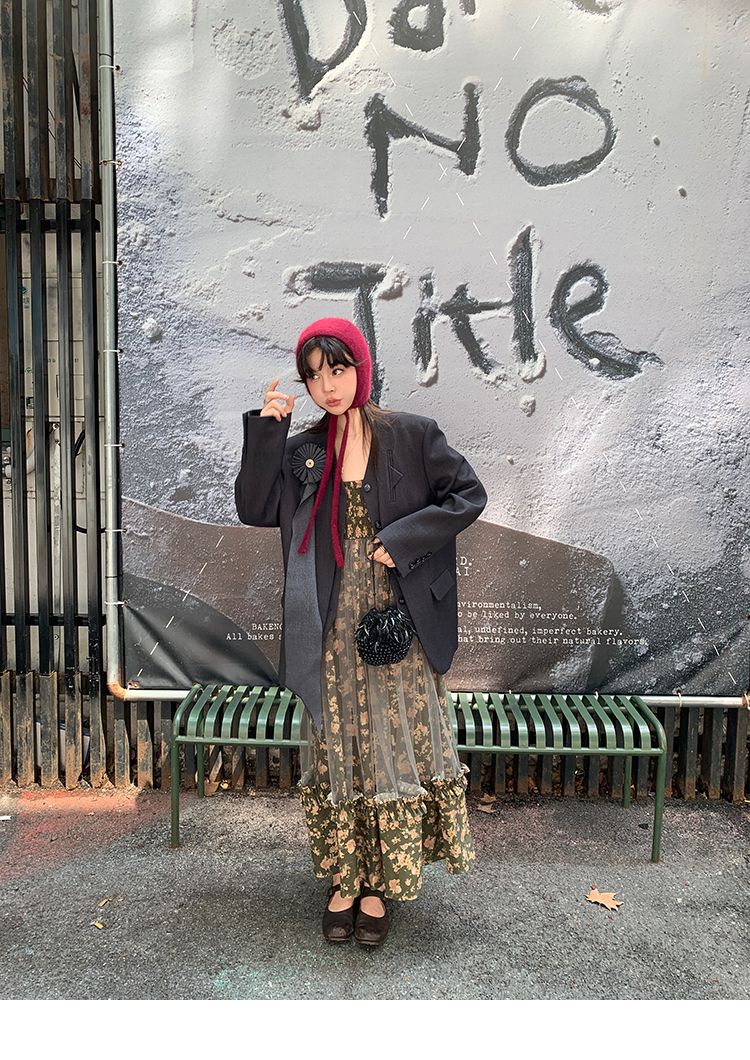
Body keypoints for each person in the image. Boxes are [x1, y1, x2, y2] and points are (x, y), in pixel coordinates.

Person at [234, 318, 487, 946]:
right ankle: (344, 880)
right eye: (314, 376)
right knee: (338, 740)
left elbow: (467, 495)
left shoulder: (412, 434)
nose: (328, 386)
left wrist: (403, 541)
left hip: (396, 617)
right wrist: (268, 429)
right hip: (328, 618)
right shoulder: (304, 448)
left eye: (338, 370)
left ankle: (379, 885)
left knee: (390, 738)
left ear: (361, 369)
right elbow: (255, 508)